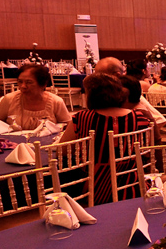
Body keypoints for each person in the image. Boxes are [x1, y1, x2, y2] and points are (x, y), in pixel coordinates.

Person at [60, 73, 149, 205]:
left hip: (92, 189)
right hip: (132, 185)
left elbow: (63, 151)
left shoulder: (82, 117)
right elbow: (145, 152)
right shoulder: (139, 117)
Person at [0, 64, 72, 130]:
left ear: (43, 84)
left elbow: (68, 126)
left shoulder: (56, 102)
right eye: (20, 82)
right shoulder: (9, 99)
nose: (23, 86)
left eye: (29, 82)